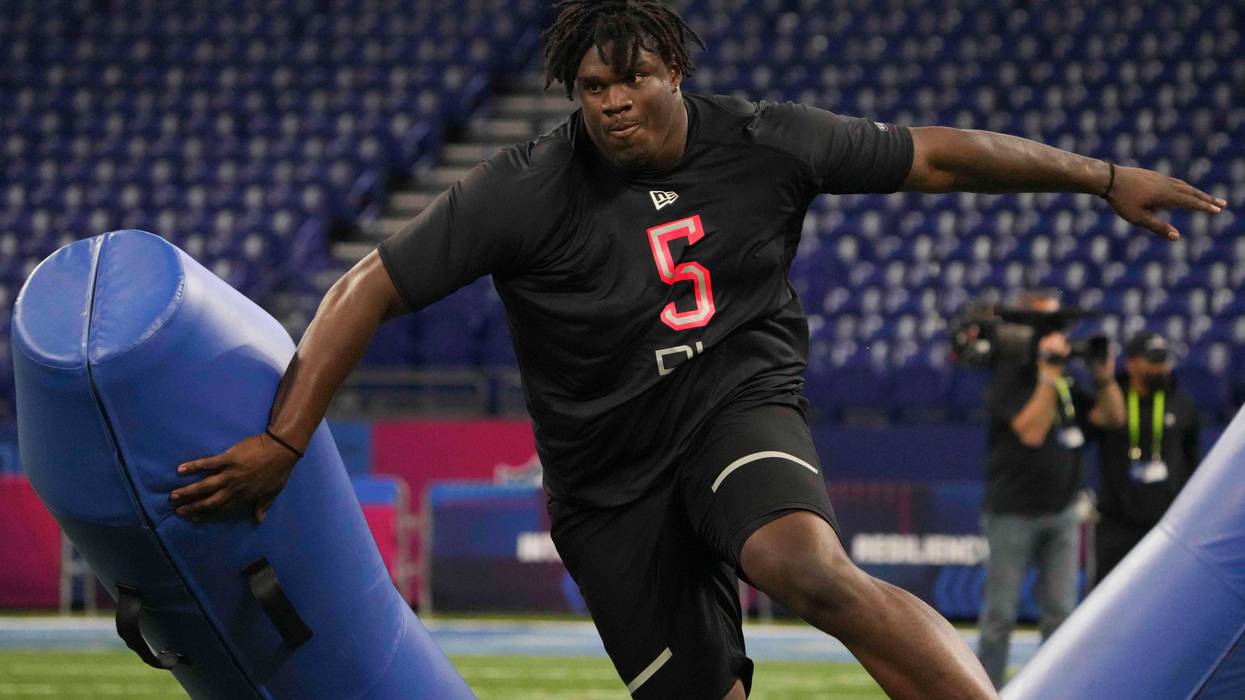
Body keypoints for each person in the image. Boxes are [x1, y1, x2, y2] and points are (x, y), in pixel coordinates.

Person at [168, 2, 1226, 697]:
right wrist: (285, 440)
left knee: (801, 565)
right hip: (603, 479)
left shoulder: (765, 138)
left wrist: (1097, 175)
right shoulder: (527, 186)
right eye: (590, 87)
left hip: (731, 398)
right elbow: (369, 285)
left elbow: (937, 156)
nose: (612, 102)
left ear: (672, 67)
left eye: (629, 79)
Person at [975, 290, 1127, 688]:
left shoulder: (1065, 380)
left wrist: (1105, 378)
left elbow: (1113, 417)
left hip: (1060, 510)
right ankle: (983, 691)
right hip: (1012, 512)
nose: (1056, 336)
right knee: (1000, 617)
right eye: (1048, 327)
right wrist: (1047, 375)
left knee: (1060, 612)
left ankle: (1053, 689)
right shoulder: (1009, 374)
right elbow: (1031, 431)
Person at [1091, 331, 1201, 587]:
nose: (1160, 368)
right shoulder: (1113, 398)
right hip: (1117, 521)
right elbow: (1094, 423)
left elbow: (1192, 460)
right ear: (1131, 363)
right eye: (1152, 361)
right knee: (1109, 596)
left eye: (1163, 360)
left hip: (1167, 525)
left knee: (1167, 594)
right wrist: (1105, 382)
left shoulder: (1182, 403)